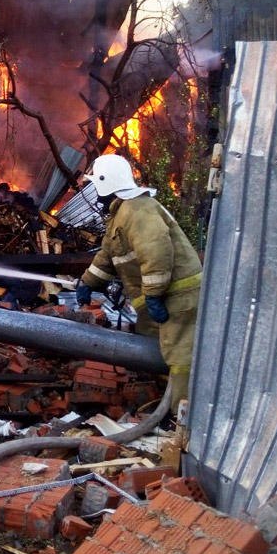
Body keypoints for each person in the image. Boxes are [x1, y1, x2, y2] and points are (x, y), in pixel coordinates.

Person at [75, 154, 202, 409]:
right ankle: (159, 405)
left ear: (104, 183)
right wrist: (88, 282)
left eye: (94, 184)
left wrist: (154, 293)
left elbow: (156, 250)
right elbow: (108, 255)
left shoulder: (138, 210)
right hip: (161, 298)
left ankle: (184, 419)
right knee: (151, 350)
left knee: (180, 357)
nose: (92, 191)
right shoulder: (120, 215)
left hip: (178, 296)